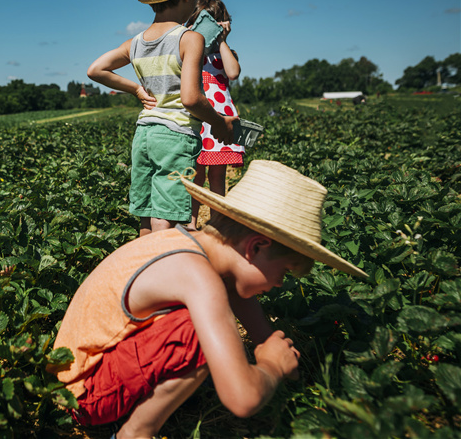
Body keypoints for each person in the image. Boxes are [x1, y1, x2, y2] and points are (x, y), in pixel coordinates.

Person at [48, 160, 368, 439]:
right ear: (255, 247)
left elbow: (237, 295)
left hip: (73, 375)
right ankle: (135, 432)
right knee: (197, 334)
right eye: (284, 271)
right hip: (82, 397)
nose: (280, 283)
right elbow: (242, 399)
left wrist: (267, 342)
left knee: (211, 313)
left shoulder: (189, 245)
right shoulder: (198, 277)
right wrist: (271, 366)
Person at [87, 0, 235, 237]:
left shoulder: (136, 43)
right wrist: (219, 122)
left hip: (144, 134)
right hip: (176, 138)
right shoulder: (190, 39)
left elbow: (96, 70)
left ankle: (144, 269)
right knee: (167, 219)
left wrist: (136, 88)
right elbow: (191, 98)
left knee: (147, 215)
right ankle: (167, 273)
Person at [185, 0, 245, 229]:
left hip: (220, 122)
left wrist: (221, 40)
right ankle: (191, 223)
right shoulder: (192, 53)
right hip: (199, 120)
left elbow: (233, 73)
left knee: (217, 176)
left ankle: (217, 224)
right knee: (196, 175)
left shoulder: (224, 54)